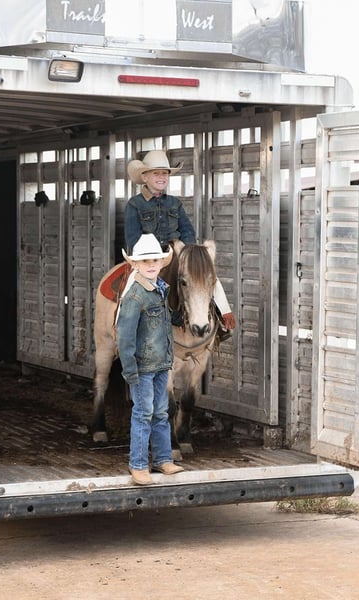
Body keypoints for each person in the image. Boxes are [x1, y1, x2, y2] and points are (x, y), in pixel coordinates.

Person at [125, 149, 236, 335]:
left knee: (206, 277)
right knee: (131, 287)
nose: (162, 177)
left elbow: (187, 230)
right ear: (144, 177)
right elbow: (133, 238)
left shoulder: (175, 203)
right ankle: (126, 328)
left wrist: (188, 254)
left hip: (178, 254)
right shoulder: (135, 204)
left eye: (165, 173)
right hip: (149, 258)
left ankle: (221, 321)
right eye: (156, 173)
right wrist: (152, 257)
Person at [117, 233, 184, 486]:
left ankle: (163, 459)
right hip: (142, 367)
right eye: (145, 261)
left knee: (161, 411)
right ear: (135, 264)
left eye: (155, 260)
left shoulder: (161, 289)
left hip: (161, 363)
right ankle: (138, 464)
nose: (151, 264)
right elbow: (125, 336)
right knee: (143, 413)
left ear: (161, 263)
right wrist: (129, 370)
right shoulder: (135, 296)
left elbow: (164, 321)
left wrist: (179, 316)